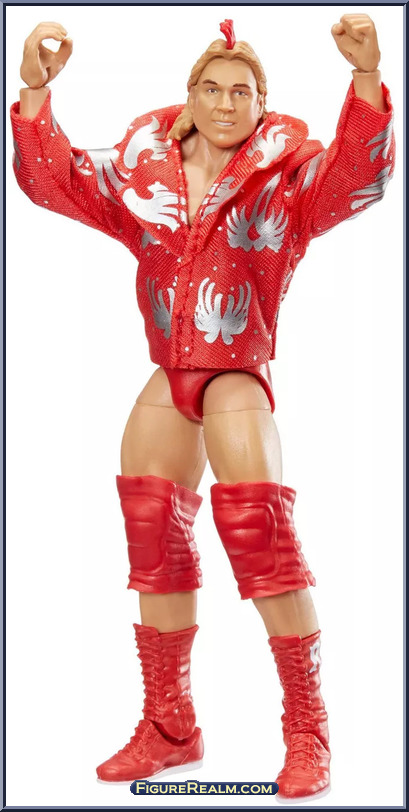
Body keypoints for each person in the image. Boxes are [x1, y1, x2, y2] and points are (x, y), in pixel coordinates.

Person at [11, 15, 394, 801]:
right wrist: (36, 91)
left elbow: (356, 180)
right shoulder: (141, 173)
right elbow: (56, 181)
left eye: (241, 92)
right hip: (167, 374)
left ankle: (307, 729)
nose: (225, 104)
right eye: (211, 89)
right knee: (153, 538)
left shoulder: (287, 179)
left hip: (235, 376)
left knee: (261, 541)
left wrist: (363, 79)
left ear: (261, 103)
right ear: (188, 97)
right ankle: (169, 726)